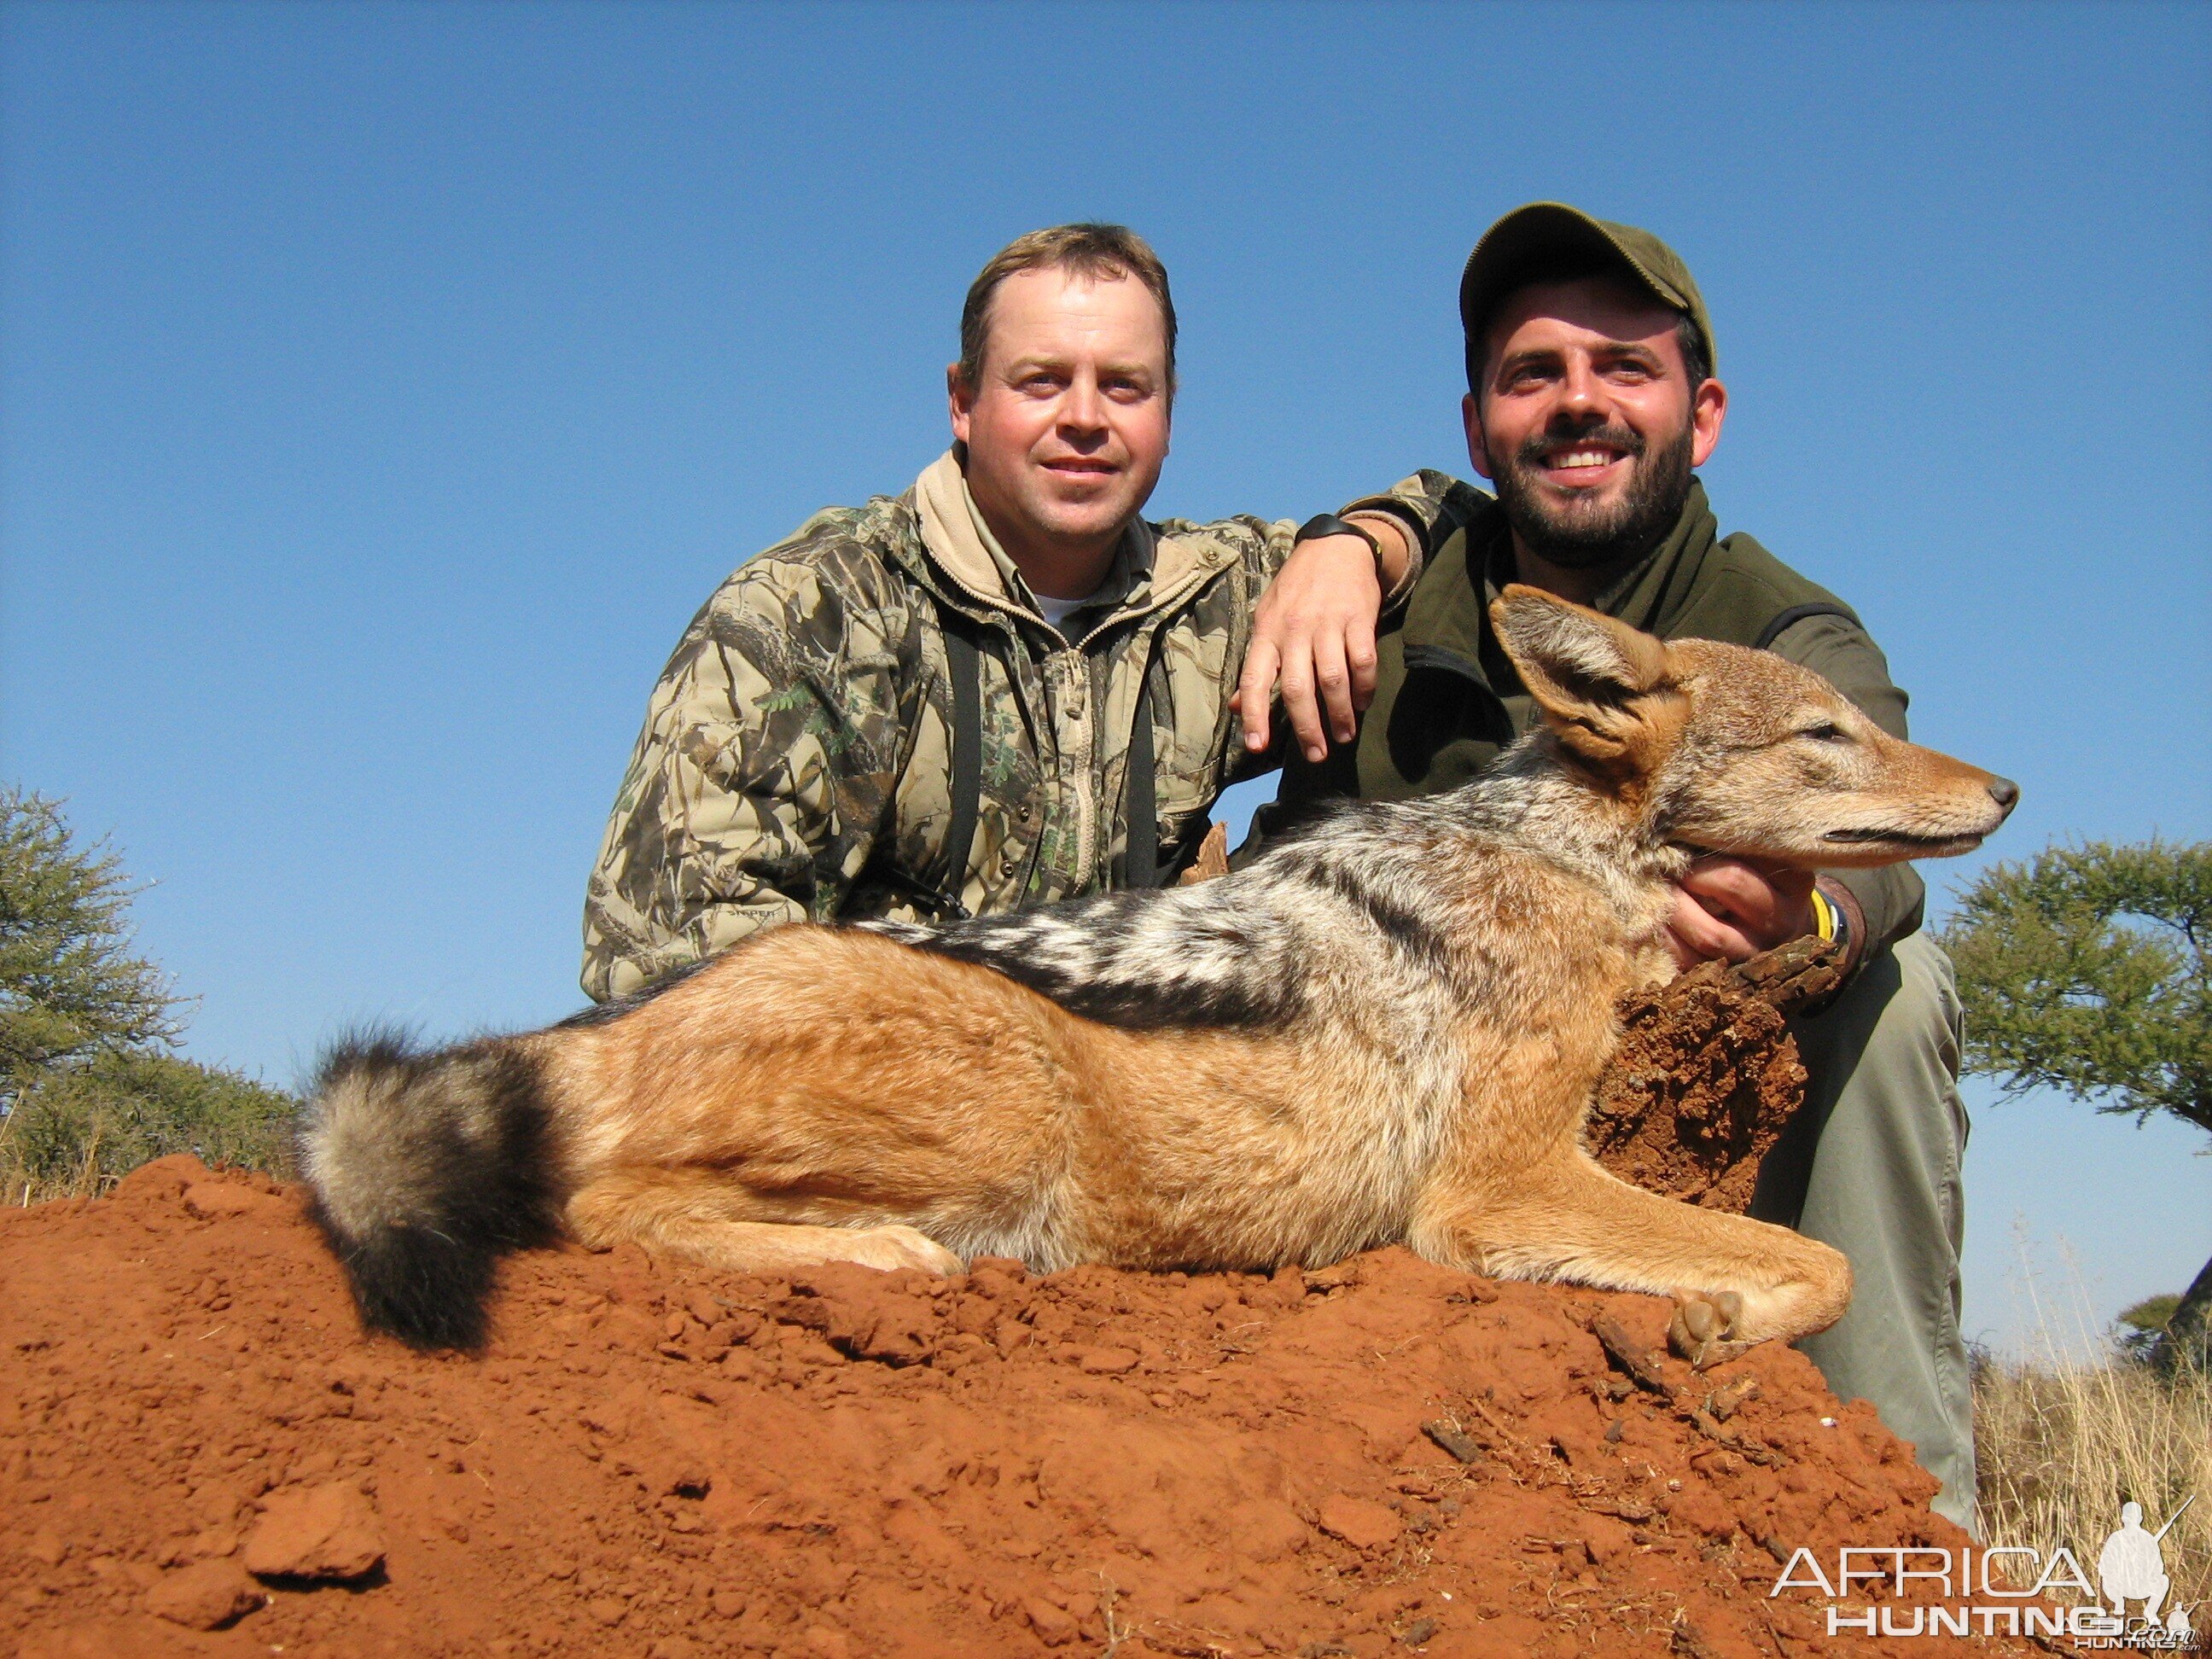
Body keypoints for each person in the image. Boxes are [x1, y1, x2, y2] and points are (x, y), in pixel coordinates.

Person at [1240, 202, 1980, 1529]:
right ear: (1479, 429)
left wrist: (1798, 915)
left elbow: (1886, 811)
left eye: (1624, 368)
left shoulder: (1778, 622)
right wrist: (1345, 540)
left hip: (1658, 1029)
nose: (1579, 403)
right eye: (1534, 375)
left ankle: (1907, 1513)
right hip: (1390, 1072)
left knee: (1902, 995)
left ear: (1701, 418)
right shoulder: (1384, 594)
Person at [582, 223, 1408, 1002]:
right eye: (1042, 381)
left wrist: (1354, 545)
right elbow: (666, 953)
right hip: (856, 1113)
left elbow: (1458, 520)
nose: (1085, 418)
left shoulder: (1218, 599)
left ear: (1168, 411)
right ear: (963, 400)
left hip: (1121, 1119)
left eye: (1125, 386)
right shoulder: (815, 612)